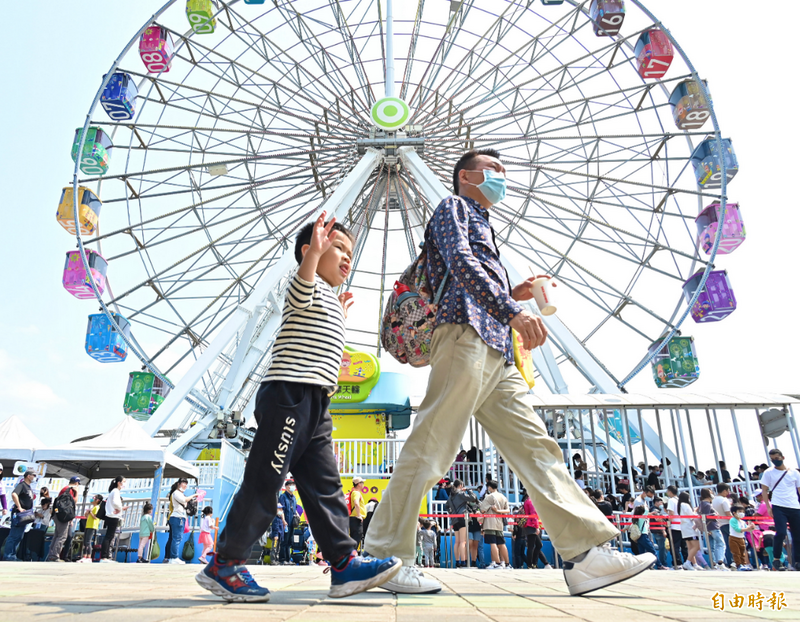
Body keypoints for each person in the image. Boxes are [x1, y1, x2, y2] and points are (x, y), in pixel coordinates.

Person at [363, 149, 653, 595]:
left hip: (497, 350)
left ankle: (586, 555)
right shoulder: (454, 207)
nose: (501, 177)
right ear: (465, 176)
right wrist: (511, 308)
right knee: (432, 444)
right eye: (493, 170)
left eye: (503, 171)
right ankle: (385, 555)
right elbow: (460, 261)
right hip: (465, 335)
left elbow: (469, 273)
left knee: (539, 448)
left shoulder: (483, 223)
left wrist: (509, 293)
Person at [196, 214, 401, 602]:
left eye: (350, 253)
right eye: (338, 248)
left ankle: (343, 564)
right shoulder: (302, 284)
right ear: (311, 251)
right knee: (265, 481)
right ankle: (226, 562)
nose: (346, 258)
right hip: (288, 395)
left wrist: (339, 314)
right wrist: (314, 255)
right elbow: (304, 280)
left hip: (317, 404)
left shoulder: (328, 298)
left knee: (326, 487)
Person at [760, 448, 800, 571]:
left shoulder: (794, 472)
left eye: (777, 459)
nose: (775, 461)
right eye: (772, 459)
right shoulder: (768, 473)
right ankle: (777, 559)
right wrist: (768, 506)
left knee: (797, 535)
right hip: (778, 505)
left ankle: (797, 561)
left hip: (794, 506)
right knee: (781, 532)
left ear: (782, 457)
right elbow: (764, 490)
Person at [3, 470, 36, 561]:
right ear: (28, 476)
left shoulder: (28, 487)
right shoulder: (22, 485)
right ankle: (8, 555)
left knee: (19, 536)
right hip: (19, 514)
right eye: (33, 475)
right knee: (14, 536)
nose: (34, 477)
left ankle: (13, 555)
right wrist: (19, 507)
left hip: (25, 515)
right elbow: (14, 494)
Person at [46, 476, 81, 562]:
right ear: (76, 483)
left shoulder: (64, 489)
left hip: (57, 514)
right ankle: (54, 555)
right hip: (62, 516)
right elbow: (73, 502)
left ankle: (51, 554)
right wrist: (77, 493)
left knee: (57, 535)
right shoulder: (70, 490)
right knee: (62, 536)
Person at [444, 479, 475, 567]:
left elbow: (446, 506)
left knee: (457, 542)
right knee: (463, 542)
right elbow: (473, 498)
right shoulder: (461, 494)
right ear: (461, 485)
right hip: (462, 518)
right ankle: (463, 561)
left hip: (454, 519)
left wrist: (451, 512)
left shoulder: (451, 495)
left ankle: (457, 561)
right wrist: (469, 490)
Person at [480, 480, 510, 569]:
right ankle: (507, 564)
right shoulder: (503, 497)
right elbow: (507, 511)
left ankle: (497, 563)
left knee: (492, 543)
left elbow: (482, 510)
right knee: (501, 543)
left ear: (489, 487)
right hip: (499, 523)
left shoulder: (489, 497)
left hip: (490, 522)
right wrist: (498, 511)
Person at [165, 478, 196, 564]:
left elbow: (185, 503)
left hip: (177, 517)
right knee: (177, 538)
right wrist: (194, 495)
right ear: (179, 484)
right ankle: (174, 557)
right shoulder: (177, 493)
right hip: (177, 517)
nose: (185, 485)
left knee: (173, 538)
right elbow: (184, 500)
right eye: (183, 483)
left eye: (186, 484)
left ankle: (171, 557)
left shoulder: (179, 493)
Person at [697, 489, 726, 570]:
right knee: (721, 544)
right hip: (713, 526)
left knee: (711, 546)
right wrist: (715, 514)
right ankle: (720, 562)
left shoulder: (702, 504)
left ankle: (714, 563)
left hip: (707, 528)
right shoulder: (707, 504)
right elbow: (706, 516)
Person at [101, 476, 128, 563]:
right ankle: (104, 557)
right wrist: (120, 508)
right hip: (113, 516)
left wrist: (119, 508)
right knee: (109, 536)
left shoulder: (113, 491)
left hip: (110, 515)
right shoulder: (116, 491)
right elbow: (116, 503)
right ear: (119, 482)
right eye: (124, 481)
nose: (125, 483)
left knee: (109, 536)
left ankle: (105, 557)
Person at [522, 492, 551, 569]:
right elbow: (533, 515)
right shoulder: (531, 501)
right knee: (533, 546)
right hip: (532, 525)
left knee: (536, 545)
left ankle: (532, 564)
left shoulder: (527, 501)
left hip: (529, 525)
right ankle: (531, 564)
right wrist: (537, 527)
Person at [712, 483, 734, 567]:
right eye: (728, 490)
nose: (728, 492)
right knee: (731, 544)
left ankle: (727, 562)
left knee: (725, 545)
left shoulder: (713, 500)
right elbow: (728, 513)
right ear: (724, 491)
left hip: (719, 524)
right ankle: (732, 562)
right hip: (728, 524)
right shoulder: (724, 500)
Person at [278, 479, 300, 564]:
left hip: (292, 523)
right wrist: (283, 521)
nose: (292, 487)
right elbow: (281, 509)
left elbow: (294, 508)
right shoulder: (283, 497)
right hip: (285, 523)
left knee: (290, 542)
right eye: (291, 485)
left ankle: (288, 559)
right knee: (284, 541)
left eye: (293, 485)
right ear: (286, 487)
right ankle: (282, 559)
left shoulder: (293, 497)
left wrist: (297, 515)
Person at [78, 494, 103, 564]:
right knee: (85, 541)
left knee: (88, 542)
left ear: (97, 500)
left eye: (94, 498)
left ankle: (89, 557)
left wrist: (90, 512)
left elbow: (95, 517)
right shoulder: (93, 507)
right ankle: (84, 556)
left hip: (92, 526)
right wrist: (87, 513)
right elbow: (87, 516)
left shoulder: (97, 507)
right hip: (88, 525)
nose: (92, 499)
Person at [729, 503, 754, 570]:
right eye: (739, 511)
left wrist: (751, 527)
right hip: (733, 538)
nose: (742, 513)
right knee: (736, 552)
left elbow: (747, 529)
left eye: (743, 512)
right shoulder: (732, 520)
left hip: (741, 538)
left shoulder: (742, 522)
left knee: (742, 553)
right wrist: (747, 529)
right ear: (734, 513)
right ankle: (738, 565)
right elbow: (737, 529)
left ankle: (743, 564)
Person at [665, 486, 685, 568]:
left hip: (674, 526)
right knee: (684, 546)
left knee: (674, 546)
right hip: (682, 525)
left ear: (670, 492)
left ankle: (677, 563)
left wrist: (668, 522)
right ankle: (687, 562)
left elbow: (671, 513)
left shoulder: (671, 500)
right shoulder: (680, 500)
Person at [649, 497, 669, 570]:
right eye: (660, 502)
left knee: (661, 549)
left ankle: (660, 564)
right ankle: (663, 564)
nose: (662, 504)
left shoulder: (652, 509)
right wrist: (663, 530)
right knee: (663, 549)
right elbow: (659, 521)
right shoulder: (655, 510)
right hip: (659, 531)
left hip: (655, 531)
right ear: (656, 502)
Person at [348, 477, 367, 550]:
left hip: (353, 518)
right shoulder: (356, 493)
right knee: (356, 539)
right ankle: (352, 557)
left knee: (354, 539)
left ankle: (351, 556)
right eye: (362, 483)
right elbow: (356, 503)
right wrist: (359, 515)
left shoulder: (354, 492)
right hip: (356, 519)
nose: (363, 485)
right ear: (359, 484)